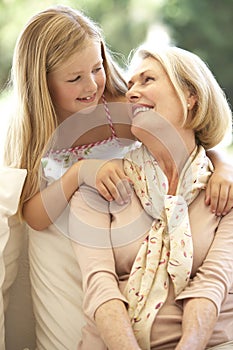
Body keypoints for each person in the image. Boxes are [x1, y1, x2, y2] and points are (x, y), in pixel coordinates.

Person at [3, 4, 233, 349]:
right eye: (74, 78)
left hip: (146, 219)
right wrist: (80, 172)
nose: (92, 84)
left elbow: (190, 135)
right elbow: (33, 216)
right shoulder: (34, 133)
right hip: (88, 235)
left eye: (97, 68)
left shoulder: (126, 102)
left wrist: (224, 166)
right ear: (42, 82)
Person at [68, 44, 233, 350]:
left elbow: (212, 283)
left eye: (147, 80)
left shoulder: (225, 190)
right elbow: (100, 286)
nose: (131, 93)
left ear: (190, 96)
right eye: (130, 85)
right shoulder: (97, 186)